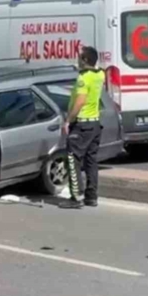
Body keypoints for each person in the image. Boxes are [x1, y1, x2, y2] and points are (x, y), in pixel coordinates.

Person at [59, 46, 105, 209]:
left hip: (82, 124)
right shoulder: (100, 74)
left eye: (79, 57)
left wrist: (68, 121)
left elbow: (80, 101)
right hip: (95, 124)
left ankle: (76, 197)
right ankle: (91, 197)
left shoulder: (83, 79)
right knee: (91, 161)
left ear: (85, 61)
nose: (77, 60)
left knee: (73, 159)